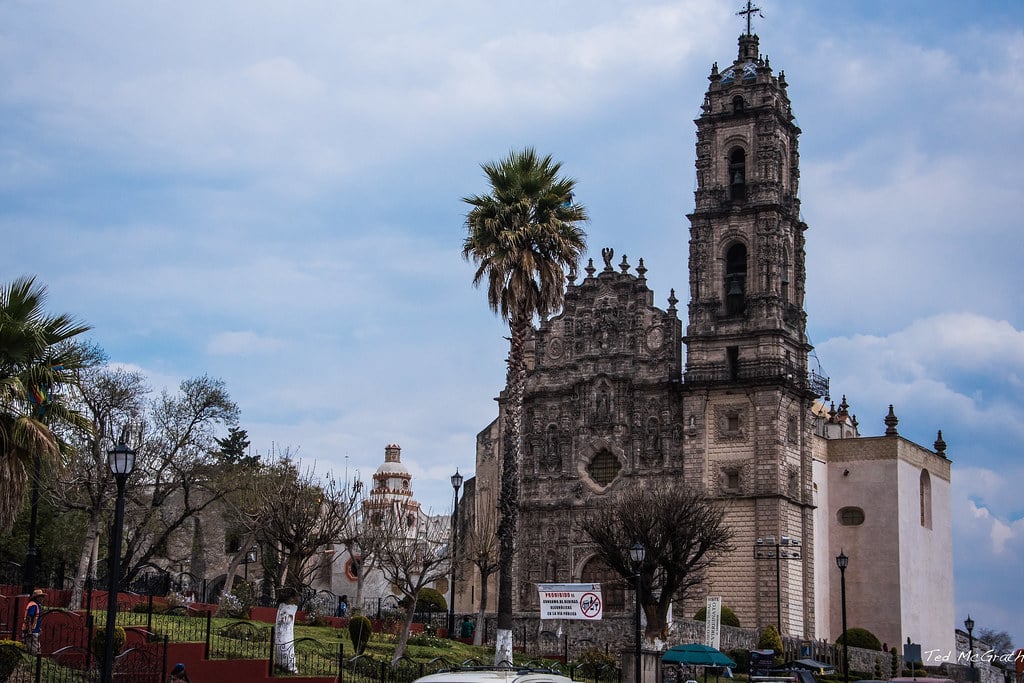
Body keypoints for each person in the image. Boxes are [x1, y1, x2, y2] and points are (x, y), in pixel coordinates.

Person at [22, 588, 44, 655]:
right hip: (32, 631)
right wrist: (30, 630)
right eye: (41, 596)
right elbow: (29, 617)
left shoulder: (36, 605)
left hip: (34, 630)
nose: (42, 598)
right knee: (34, 651)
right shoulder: (33, 605)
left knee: (36, 649)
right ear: (36, 597)